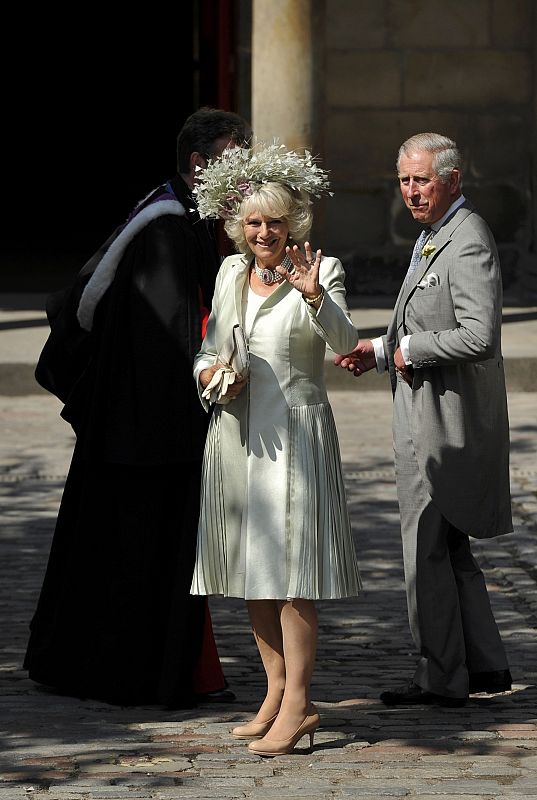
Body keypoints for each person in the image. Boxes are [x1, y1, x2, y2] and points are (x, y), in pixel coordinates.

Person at [23, 107, 251, 707]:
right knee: (140, 552)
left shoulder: (183, 216)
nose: (245, 169)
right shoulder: (166, 230)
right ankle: (140, 671)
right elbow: (166, 339)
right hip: (147, 433)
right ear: (201, 164)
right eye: (235, 155)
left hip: (143, 425)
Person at [188, 141, 361, 756]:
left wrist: (314, 295)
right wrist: (211, 375)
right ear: (240, 226)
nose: (265, 232)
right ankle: (275, 692)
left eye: (276, 221)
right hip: (237, 432)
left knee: (293, 574)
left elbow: (344, 342)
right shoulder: (232, 271)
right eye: (254, 222)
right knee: (252, 572)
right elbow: (210, 350)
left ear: (295, 224)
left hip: (295, 433)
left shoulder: (323, 268)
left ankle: (300, 705)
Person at [335, 132, 513, 707]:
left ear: (453, 180)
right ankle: (482, 666)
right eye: (405, 181)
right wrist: (382, 350)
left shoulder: (465, 239)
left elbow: (479, 335)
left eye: (422, 181)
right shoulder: (435, 234)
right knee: (449, 544)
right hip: (424, 413)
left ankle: (440, 677)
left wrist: (409, 351)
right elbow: (419, 320)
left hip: (443, 425)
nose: (411, 192)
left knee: (427, 549)